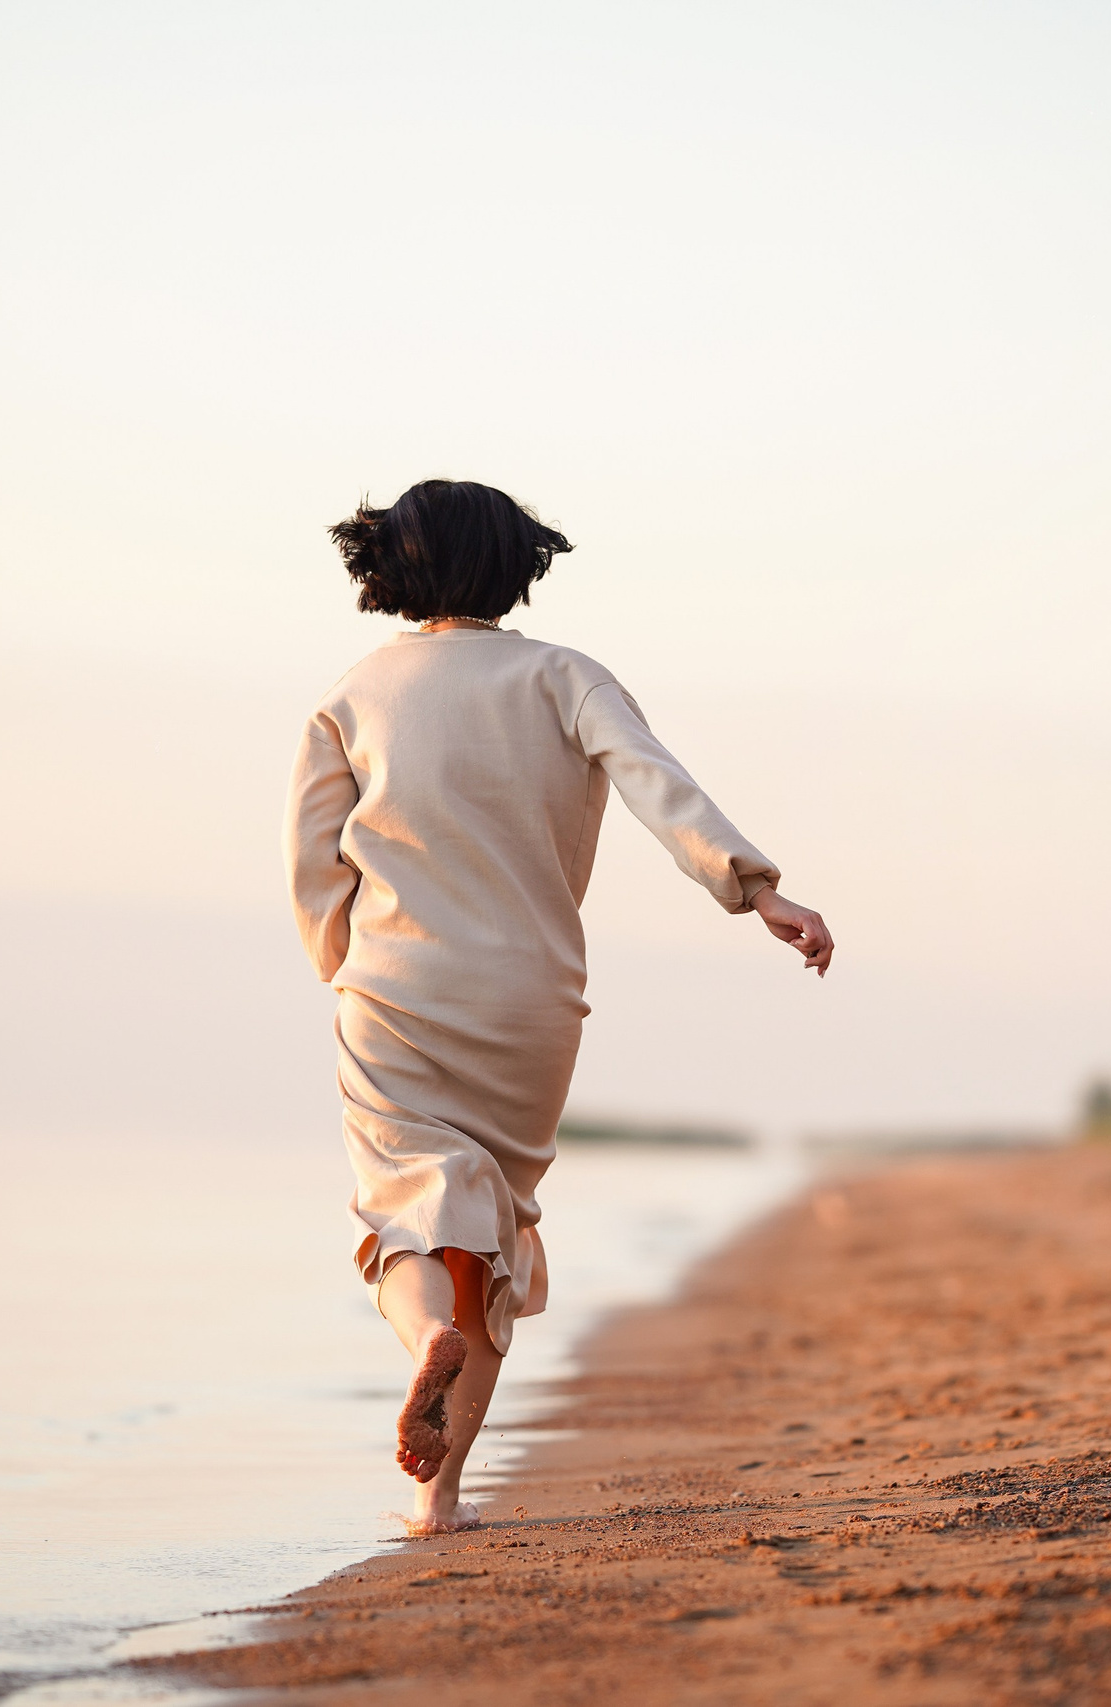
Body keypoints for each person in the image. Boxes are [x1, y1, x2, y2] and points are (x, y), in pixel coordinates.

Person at [283, 479, 834, 1534]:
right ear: (517, 565)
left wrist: (338, 961)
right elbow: (660, 787)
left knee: (405, 1209)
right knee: (495, 1229)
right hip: (531, 999)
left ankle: (423, 1344)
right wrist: (757, 890)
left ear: (390, 567)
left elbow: (312, 862)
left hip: (394, 990)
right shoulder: (565, 677)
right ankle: (439, 1494)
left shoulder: (349, 698)